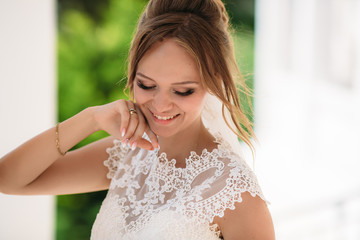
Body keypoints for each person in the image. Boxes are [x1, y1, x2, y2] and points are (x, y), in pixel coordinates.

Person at [0, 0, 275, 239]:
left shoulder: (235, 192)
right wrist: (90, 118)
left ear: (213, 83)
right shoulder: (128, 153)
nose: (161, 105)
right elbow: (9, 179)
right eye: (146, 85)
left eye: (182, 90)